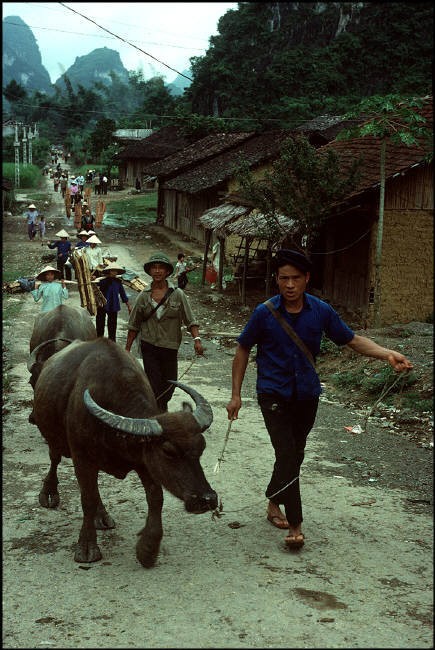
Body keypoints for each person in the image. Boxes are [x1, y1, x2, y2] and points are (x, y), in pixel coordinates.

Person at [226, 248, 413, 550]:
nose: (289, 285)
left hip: (307, 395)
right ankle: (296, 525)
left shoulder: (320, 311)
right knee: (287, 453)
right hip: (272, 393)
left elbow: (351, 340)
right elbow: (243, 349)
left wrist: (387, 353)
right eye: (283, 278)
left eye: (295, 278)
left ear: (307, 278)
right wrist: (235, 395)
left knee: (294, 453)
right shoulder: (265, 312)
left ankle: (274, 501)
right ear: (276, 279)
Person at [125, 252, 204, 412]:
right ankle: (158, 412)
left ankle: (161, 405)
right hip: (149, 345)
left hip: (170, 346)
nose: (157, 271)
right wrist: (127, 350)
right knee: (153, 382)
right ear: (150, 271)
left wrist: (197, 339)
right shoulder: (143, 296)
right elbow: (133, 325)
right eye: (154, 268)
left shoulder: (178, 294)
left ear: (167, 271)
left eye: (161, 268)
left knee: (170, 383)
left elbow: (191, 320)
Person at [95, 262, 132, 342]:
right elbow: (95, 290)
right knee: (100, 324)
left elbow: (123, 294)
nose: (114, 272)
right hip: (102, 305)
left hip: (113, 305)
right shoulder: (102, 281)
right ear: (109, 271)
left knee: (112, 325)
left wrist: (128, 305)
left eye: (116, 271)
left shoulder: (118, 282)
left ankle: (112, 341)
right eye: (112, 271)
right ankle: (99, 340)